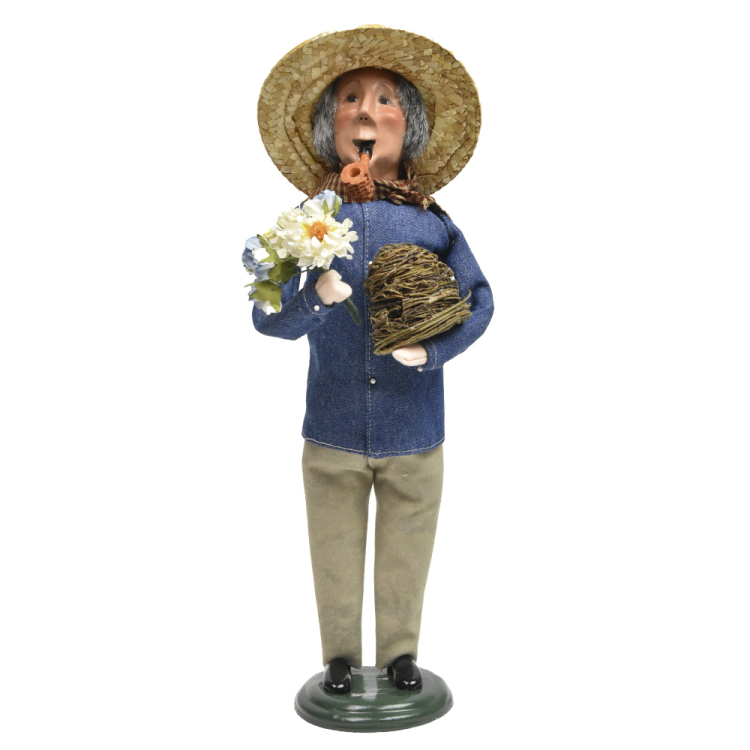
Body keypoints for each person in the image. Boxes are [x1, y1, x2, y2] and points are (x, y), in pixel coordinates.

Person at [251, 26, 493, 694]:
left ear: (408, 128)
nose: (365, 111)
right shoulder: (306, 221)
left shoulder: (432, 222)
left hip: (414, 428)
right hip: (330, 428)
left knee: (408, 544)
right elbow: (266, 313)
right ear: (328, 126)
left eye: (386, 100)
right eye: (350, 98)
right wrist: (316, 299)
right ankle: (337, 656)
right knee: (331, 545)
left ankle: (400, 655)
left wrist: (434, 350)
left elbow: (480, 301)